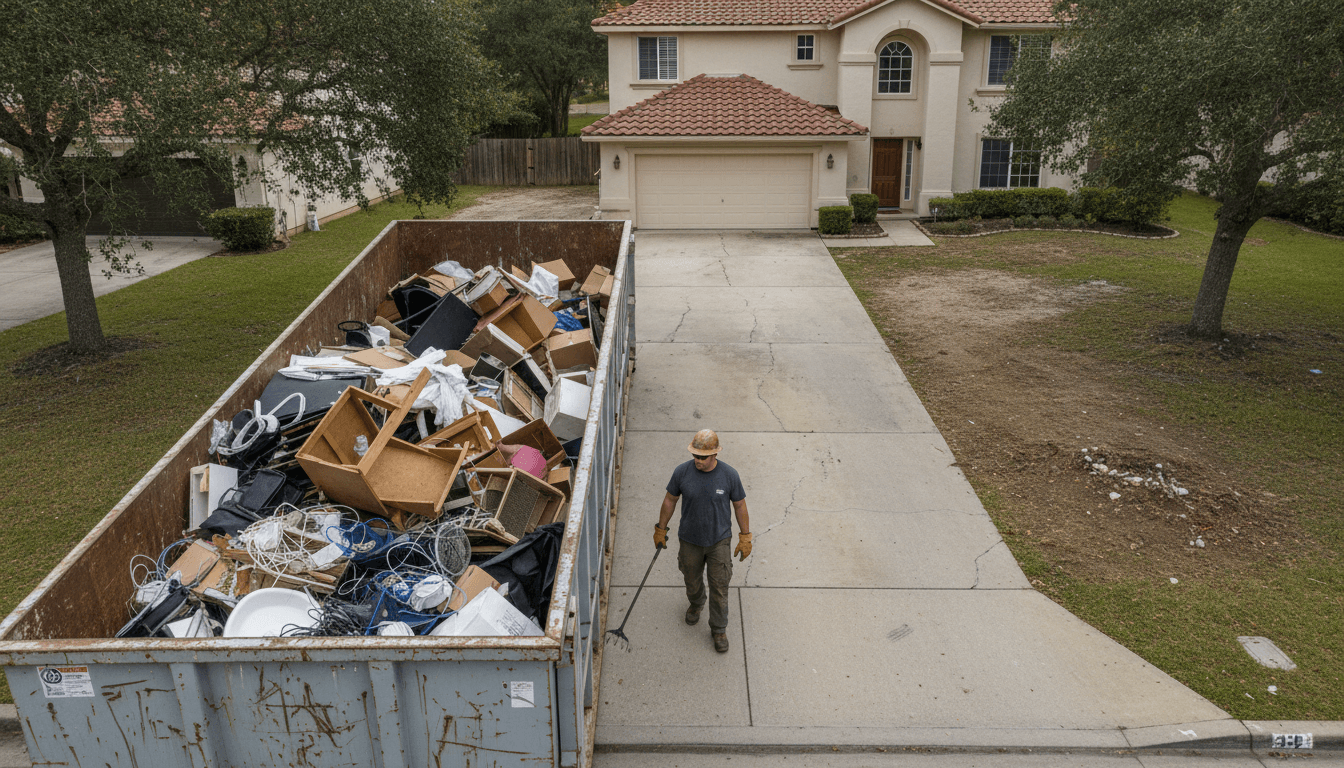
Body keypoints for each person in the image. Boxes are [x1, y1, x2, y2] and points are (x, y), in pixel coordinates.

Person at [655, 429, 751, 653]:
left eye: (702, 457)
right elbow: (670, 500)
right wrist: (661, 528)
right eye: (694, 456)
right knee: (691, 578)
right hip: (690, 539)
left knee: (720, 586)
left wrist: (745, 536)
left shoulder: (729, 475)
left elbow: (740, 505)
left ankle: (718, 629)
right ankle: (697, 603)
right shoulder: (682, 472)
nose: (697, 461)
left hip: (719, 541)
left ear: (714, 455)